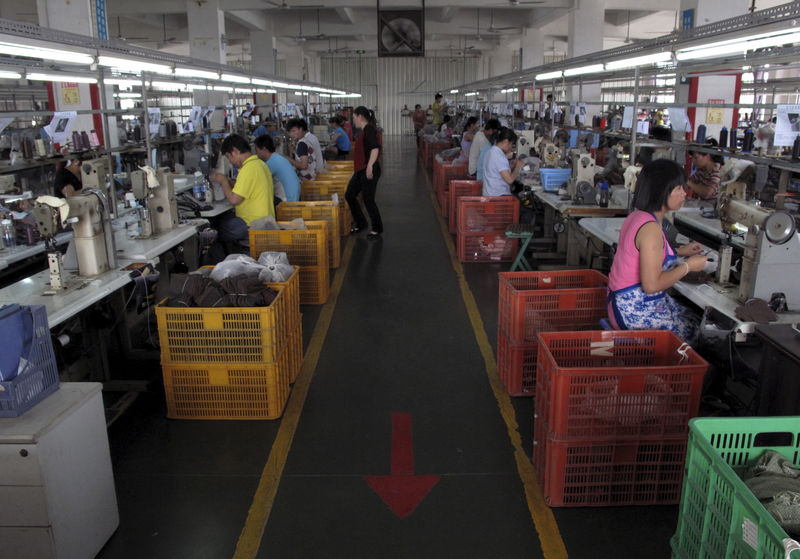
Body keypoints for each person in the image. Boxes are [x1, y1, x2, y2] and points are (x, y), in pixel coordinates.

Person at [607, 159, 707, 342]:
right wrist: (688, 266)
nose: (684, 193)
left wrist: (679, 252)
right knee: (699, 332)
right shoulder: (651, 228)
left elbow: (645, 256)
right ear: (662, 191)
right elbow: (651, 285)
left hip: (622, 302)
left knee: (693, 317)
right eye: (678, 189)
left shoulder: (639, 216)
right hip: (634, 311)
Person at [210, 134, 274, 254]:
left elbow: (234, 200)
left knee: (215, 228)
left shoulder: (248, 168)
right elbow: (248, 187)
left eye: (229, 157)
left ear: (235, 151)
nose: (230, 162)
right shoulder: (259, 164)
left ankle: (226, 261)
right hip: (265, 220)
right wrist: (231, 183)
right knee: (225, 221)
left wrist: (224, 181)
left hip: (252, 224)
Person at [345, 106, 383, 239]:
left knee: (368, 200)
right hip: (361, 170)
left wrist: (370, 166)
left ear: (360, 117)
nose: (353, 120)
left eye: (354, 117)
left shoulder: (369, 129)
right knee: (349, 195)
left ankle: (377, 228)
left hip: (368, 169)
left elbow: (375, 148)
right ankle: (361, 223)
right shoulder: (364, 130)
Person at [254, 134, 301, 204]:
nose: (256, 153)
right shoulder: (277, 157)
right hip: (295, 197)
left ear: (264, 149)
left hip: (287, 201)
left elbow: (258, 183)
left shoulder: (271, 163)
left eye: (256, 150)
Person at [482, 127, 524, 196]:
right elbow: (509, 180)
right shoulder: (499, 156)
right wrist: (518, 167)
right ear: (506, 142)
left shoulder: (491, 151)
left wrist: (510, 166)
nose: (511, 147)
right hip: (498, 196)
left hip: (489, 193)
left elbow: (496, 169)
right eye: (511, 144)